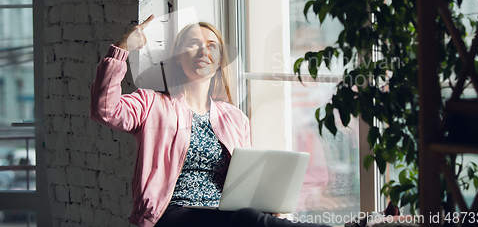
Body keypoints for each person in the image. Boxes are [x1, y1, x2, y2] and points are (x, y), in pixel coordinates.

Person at [90, 15, 330, 227]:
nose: (203, 51)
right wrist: (121, 49)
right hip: (172, 213)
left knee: (252, 217)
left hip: (223, 213)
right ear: (177, 58)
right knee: (245, 218)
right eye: (193, 44)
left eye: (211, 46)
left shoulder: (234, 118)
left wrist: (266, 202)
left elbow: (244, 179)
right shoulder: (152, 104)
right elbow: (105, 110)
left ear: (218, 62)